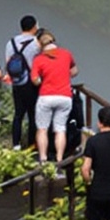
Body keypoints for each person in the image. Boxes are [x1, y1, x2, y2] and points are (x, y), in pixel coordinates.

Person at [29, 26, 76, 165]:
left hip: (46, 96)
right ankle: (59, 159)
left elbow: (35, 80)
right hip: (65, 96)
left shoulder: (39, 59)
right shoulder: (66, 54)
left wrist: (43, 79)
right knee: (60, 129)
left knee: (42, 129)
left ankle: (43, 159)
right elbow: (74, 71)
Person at [5, 16, 39, 153]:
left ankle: (16, 145)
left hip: (17, 83)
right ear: (34, 27)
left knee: (18, 114)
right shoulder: (36, 43)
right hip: (31, 83)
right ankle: (31, 144)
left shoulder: (11, 42)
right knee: (32, 114)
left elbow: (8, 63)